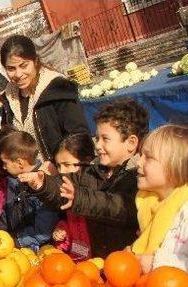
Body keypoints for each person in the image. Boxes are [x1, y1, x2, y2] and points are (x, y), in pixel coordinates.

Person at [19, 98, 149, 257]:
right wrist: (43, 184)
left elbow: (119, 207)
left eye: (105, 139)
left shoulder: (139, 178)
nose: (98, 145)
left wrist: (78, 198)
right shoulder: (91, 172)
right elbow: (64, 187)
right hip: (95, 262)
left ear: (131, 143)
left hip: (125, 264)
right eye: (97, 138)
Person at [132, 125, 188, 287]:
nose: (138, 162)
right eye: (140, 155)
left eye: (148, 157)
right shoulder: (152, 203)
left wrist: (156, 262)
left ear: (178, 166)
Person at [0, 35, 89, 160]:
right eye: (11, 69)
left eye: (24, 65)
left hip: (60, 175)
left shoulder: (58, 89)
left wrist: (57, 164)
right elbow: (7, 137)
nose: (18, 74)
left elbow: (79, 137)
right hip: (26, 177)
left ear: (35, 61)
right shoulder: (9, 97)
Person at [0, 129, 60, 250]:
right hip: (12, 242)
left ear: (20, 163)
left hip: (36, 247)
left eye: (5, 163)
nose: (3, 167)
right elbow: (7, 212)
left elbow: (44, 229)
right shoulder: (14, 180)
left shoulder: (42, 186)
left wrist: (17, 241)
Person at [51, 133, 96, 260]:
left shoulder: (95, 196)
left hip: (103, 266)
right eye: (58, 166)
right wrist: (62, 231)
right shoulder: (66, 190)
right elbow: (77, 242)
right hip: (78, 266)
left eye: (67, 164)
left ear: (86, 162)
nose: (61, 171)